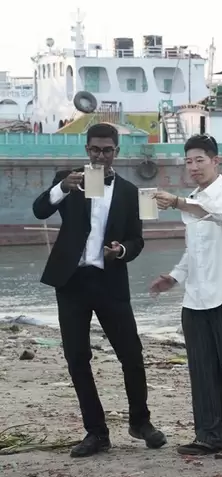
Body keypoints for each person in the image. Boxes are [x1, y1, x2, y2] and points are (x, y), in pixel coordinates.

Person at [32, 123, 166, 457]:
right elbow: (40, 210)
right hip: (71, 281)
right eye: (95, 149)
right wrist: (62, 187)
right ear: (87, 150)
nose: (100, 156)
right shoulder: (68, 179)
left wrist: (121, 251)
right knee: (78, 358)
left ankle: (140, 422)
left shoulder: (129, 192)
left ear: (116, 152)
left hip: (109, 280)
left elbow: (137, 240)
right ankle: (96, 432)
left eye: (107, 150)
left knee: (132, 354)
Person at [149, 134, 222, 456]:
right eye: (188, 161)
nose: (194, 167)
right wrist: (174, 277)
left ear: (216, 161)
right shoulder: (192, 199)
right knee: (203, 370)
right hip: (196, 298)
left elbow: (221, 215)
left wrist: (177, 203)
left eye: (200, 160)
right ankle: (211, 436)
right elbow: (194, 250)